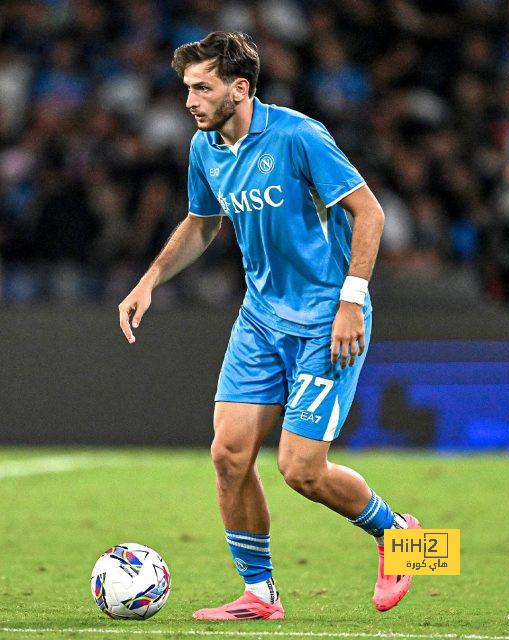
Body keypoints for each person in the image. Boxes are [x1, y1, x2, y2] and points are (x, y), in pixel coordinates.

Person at [118, 31, 420, 621]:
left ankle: (407, 538)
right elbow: (202, 223)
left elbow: (370, 212)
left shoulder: (299, 135)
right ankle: (260, 594)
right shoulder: (205, 148)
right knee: (228, 456)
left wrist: (351, 302)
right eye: (186, 88)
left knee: (299, 470)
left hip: (327, 320)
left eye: (202, 87)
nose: (189, 101)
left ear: (240, 87)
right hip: (260, 320)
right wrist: (150, 278)